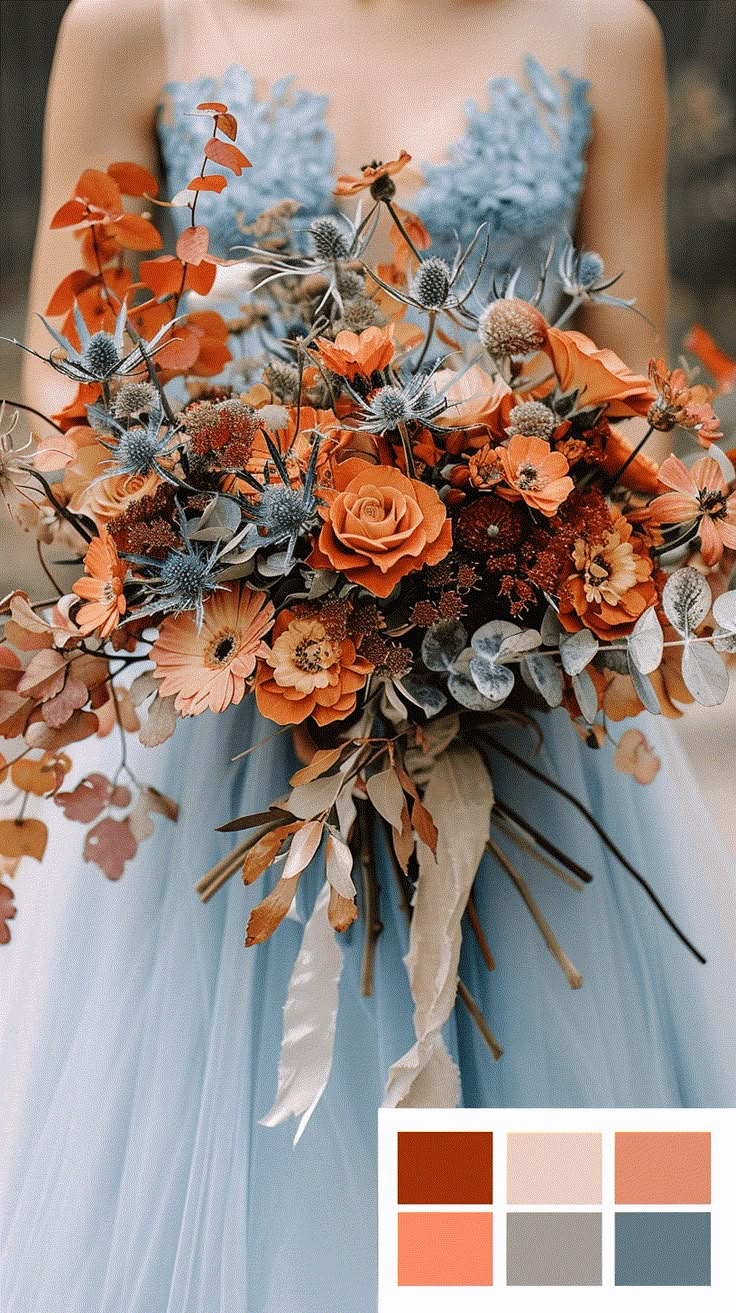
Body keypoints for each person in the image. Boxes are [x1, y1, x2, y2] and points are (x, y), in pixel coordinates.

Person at [2, 2, 735, 1311]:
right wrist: (227, 523)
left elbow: (642, 406)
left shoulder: (602, 30)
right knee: (230, 1166)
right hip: (224, 701)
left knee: (560, 1232)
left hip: (523, 712)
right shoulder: (134, 21)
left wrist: (521, 542)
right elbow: (70, 398)